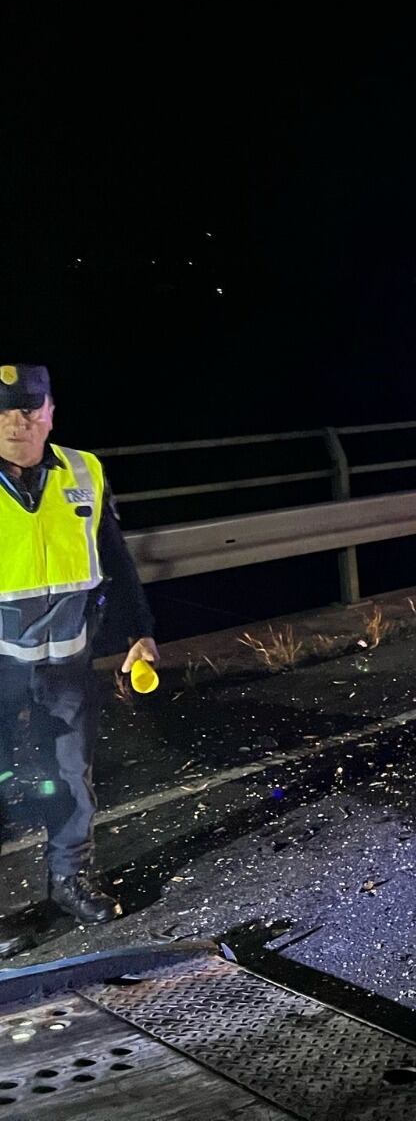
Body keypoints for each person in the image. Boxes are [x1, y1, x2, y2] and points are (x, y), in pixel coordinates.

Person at [0, 363, 159, 951]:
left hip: (67, 660)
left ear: (49, 411)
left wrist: (137, 631)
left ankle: (69, 879)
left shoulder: (84, 471)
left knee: (72, 777)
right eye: (5, 408)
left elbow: (114, 559)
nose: (18, 420)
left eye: (29, 406)